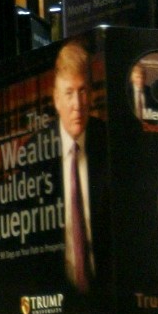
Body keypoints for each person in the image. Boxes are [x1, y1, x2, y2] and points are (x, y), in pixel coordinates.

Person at [53, 39, 109, 294]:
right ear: (56, 100)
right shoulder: (36, 153)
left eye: (83, 90)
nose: (77, 104)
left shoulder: (110, 141)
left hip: (108, 292)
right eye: (68, 93)